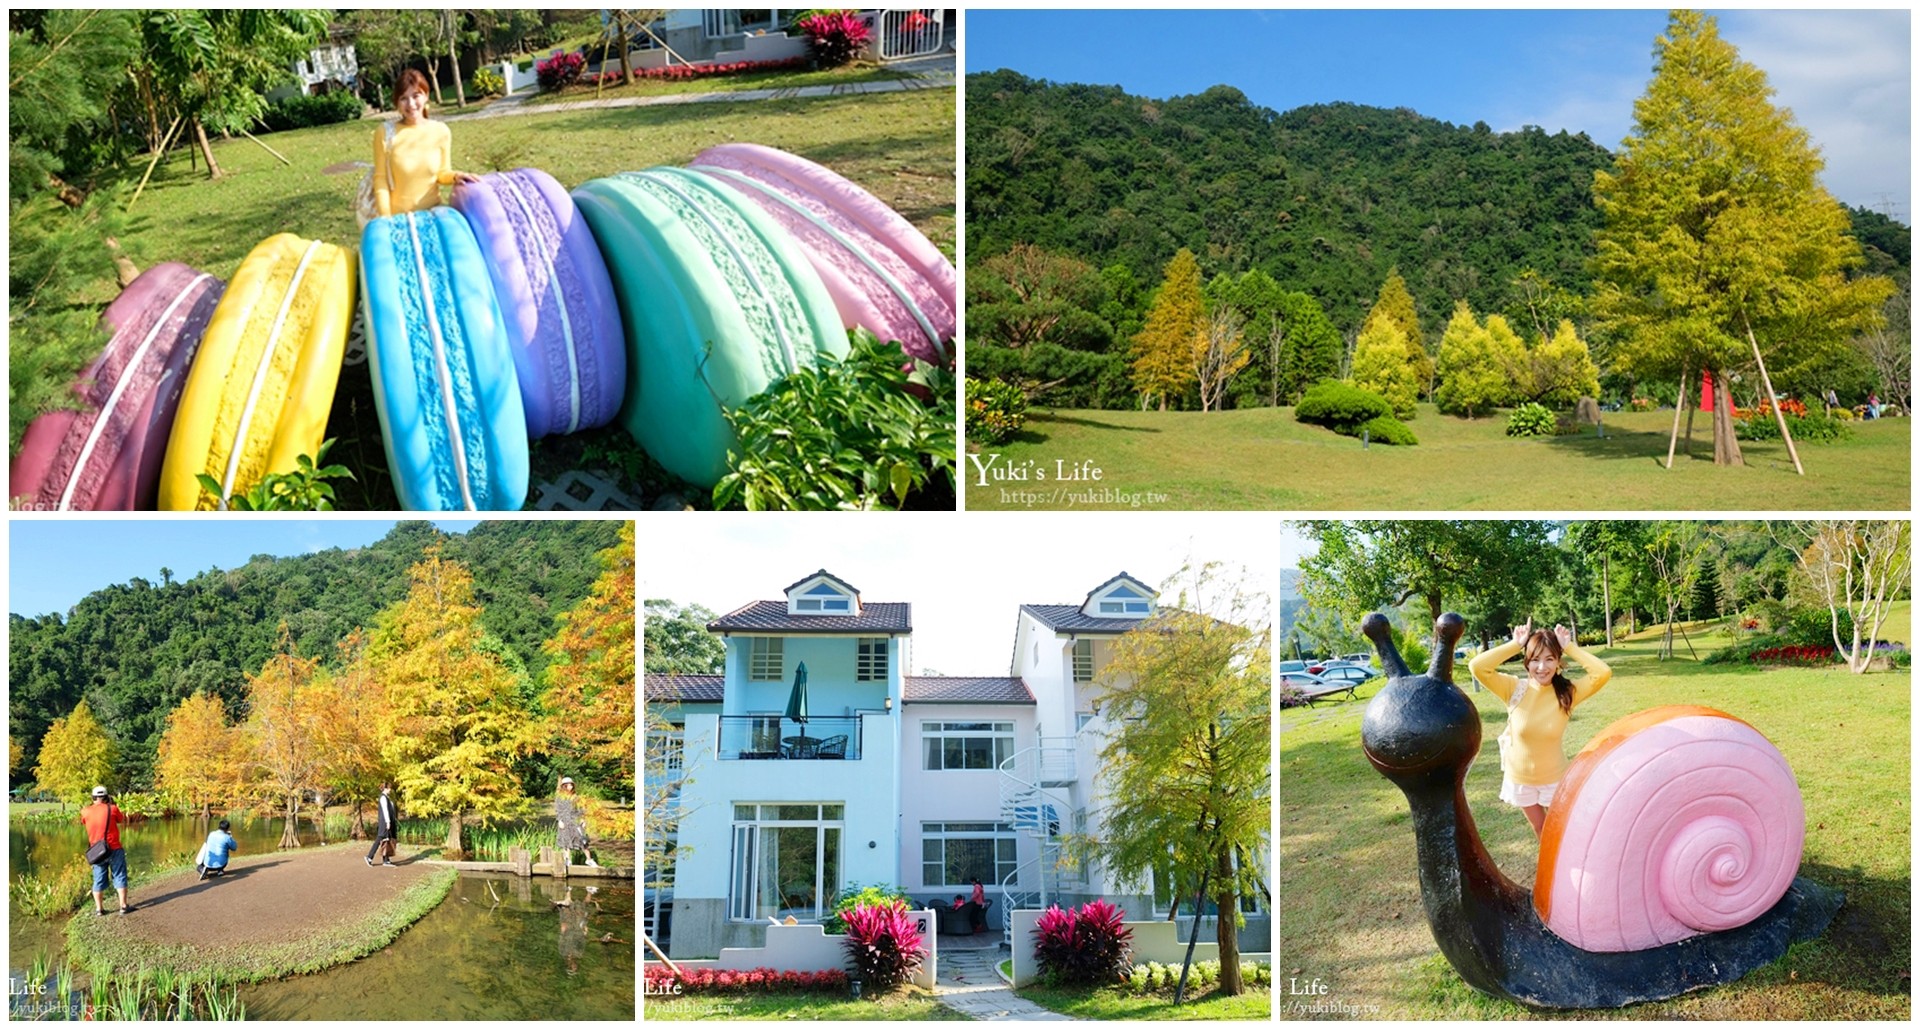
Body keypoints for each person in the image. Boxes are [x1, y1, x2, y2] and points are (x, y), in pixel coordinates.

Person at [1468, 621, 1613, 837]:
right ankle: (1550, 870)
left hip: (1555, 779)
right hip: (1521, 779)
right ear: (1527, 662)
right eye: (1535, 660)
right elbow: (1477, 667)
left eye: (1549, 659)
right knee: (1541, 830)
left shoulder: (1567, 693)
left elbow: (1602, 673)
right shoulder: (1513, 689)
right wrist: (1515, 644)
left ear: (1558, 662)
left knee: (1562, 831)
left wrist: (1569, 646)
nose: (1542, 667)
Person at [372, 68, 479, 219]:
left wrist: (456, 176)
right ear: (397, 103)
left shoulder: (441, 131)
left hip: (433, 216)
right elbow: (380, 179)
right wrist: (385, 218)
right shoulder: (384, 132)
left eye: (416, 96)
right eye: (403, 98)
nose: (411, 104)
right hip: (399, 219)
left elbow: (442, 173)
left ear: (426, 96)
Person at [80, 785, 132, 915]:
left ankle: (99, 909)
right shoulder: (113, 809)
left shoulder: (85, 811)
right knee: (119, 875)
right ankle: (123, 906)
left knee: (98, 879)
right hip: (114, 848)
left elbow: (85, 822)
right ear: (106, 797)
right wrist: (111, 804)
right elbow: (121, 819)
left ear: (93, 797)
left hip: (97, 851)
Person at [556, 777, 598, 868]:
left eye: (571, 785)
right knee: (566, 841)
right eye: (568, 785)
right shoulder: (559, 797)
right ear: (563, 786)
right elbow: (558, 810)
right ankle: (567, 860)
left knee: (583, 840)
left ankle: (589, 860)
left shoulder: (576, 797)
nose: (570, 786)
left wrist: (583, 819)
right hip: (565, 821)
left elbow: (581, 809)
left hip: (575, 821)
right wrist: (560, 820)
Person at [367, 783, 398, 868]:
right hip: (384, 822)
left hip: (387, 821)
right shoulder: (383, 798)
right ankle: (369, 857)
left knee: (387, 839)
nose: (390, 790)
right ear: (385, 789)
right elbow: (385, 811)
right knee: (380, 837)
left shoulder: (387, 798)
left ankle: (386, 860)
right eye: (389, 788)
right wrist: (388, 822)